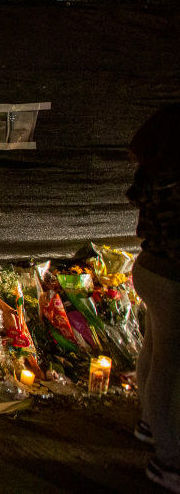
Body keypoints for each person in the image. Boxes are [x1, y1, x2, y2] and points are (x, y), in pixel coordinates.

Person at [128, 104, 180, 491]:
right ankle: (169, 461)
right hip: (169, 278)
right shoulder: (174, 184)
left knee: (154, 349)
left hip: (151, 269)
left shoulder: (153, 178)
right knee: (170, 367)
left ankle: (149, 423)